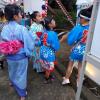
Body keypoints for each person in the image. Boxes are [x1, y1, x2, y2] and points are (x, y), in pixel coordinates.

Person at [1, 4, 34, 100]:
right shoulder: (22, 29)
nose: (21, 16)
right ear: (15, 16)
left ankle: (12, 82)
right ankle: (22, 94)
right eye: (20, 14)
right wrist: (29, 52)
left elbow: (2, 43)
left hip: (9, 56)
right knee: (21, 74)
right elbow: (29, 43)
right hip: (20, 56)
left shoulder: (4, 28)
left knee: (12, 70)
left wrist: (5, 52)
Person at [60, 6, 93, 87]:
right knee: (81, 65)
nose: (79, 19)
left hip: (77, 49)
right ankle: (79, 80)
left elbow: (70, 41)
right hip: (85, 49)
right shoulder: (91, 27)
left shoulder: (78, 28)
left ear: (83, 18)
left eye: (80, 17)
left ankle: (66, 79)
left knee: (70, 64)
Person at [40, 17, 60, 83]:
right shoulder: (53, 34)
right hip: (49, 53)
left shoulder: (44, 32)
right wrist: (56, 48)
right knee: (49, 68)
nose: (55, 22)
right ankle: (46, 79)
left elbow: (40, 41)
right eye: (53, 21)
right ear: (49, 24)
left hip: (42, 51)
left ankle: (47, 75)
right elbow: (55, 46)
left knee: (45, 65)